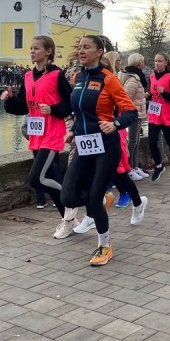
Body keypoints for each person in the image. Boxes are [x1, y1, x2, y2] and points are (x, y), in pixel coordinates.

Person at [61, 35, 138, 265]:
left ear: (99, 52)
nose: (81, 51)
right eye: (80, 47)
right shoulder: (78, 77)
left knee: (93, 200)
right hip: (84, 145)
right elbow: (80, 114)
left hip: (106, 147)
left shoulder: (109, 80)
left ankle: (104, 246)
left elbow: (130, 112)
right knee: (68, 196)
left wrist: (114, 124)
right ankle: (100, 199)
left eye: (87, 47)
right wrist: (74, 130)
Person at [1, 35, 74, 233]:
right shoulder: (27, 76)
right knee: (49, 177)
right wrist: (8, 100)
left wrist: (54, 109)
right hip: (35, 134)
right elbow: (23, 106)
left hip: (52, 134)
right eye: (31, 48)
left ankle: (73, 200)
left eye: (36, 48)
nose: (32, 51)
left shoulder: (57, 75)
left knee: (36, 179)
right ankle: (68, 221)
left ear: (48, 52)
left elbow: (71, 104)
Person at [76, 52, 149, 228]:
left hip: (113, 134)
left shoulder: (111, 81)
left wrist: (115, 123)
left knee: (119, 172)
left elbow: (126, 108)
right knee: (95, 173)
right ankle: (92, 213)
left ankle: (138, 202)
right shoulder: (82, 80)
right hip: (91, 137)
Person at [147, 52, 170, 182]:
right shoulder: (151, 76)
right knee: (151, 141)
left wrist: (164, 93)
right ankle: (159, 165)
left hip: (167, 115)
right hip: (154, 114)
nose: (157, 63)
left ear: (165, 63)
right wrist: (148, 95)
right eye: (155, 61)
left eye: (160, 61)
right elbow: (151, 93)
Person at [120, 53, 149, 181]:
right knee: (132, 141)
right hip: (133, 114)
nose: (144, 64)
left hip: (138, 113)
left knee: (136, 141)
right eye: (143, 62)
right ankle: (130, 168)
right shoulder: (133, 79)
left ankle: (134, 165)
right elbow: (126, 98)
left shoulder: (136, 77)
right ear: (139, 64)